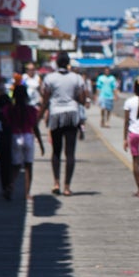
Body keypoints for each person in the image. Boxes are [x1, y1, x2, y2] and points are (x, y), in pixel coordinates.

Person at [40, 51, 88, 196]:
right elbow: (82, 99)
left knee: (56, 152)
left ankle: (56, 183)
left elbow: (45, 99)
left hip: (56, 116)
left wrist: (40, 116)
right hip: (72, 116)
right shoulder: (77, 78)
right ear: (68, 63)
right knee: (70, 153)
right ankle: (67, 186)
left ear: (56, 63)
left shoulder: (49, 78)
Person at [3, 83, 45, 200]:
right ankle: (27, 193)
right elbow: (35, 127)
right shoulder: (31, 110)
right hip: (28, 137)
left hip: (15, 136)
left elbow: (6, 124)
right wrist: (41, 144)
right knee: (28, 166)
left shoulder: (9, 109)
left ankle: (11, 185)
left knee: (15, 166)